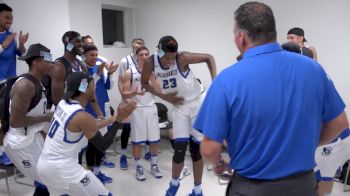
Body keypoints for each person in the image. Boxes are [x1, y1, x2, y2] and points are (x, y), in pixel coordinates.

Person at [195, 2, 348, 196]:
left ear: (241, 37)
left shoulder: (226, 80)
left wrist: (218, 165)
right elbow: (340, 123)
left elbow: (209, 148)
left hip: (251, 188)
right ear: (272, 32)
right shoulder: (313, 69)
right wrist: (307, 145)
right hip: (303, 186)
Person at [37, 72, 136, 195]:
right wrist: (119, 120)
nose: (94, 89)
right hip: (63, 169)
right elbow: (103, 145)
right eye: (92, 85)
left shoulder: (64, 103)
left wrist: (113, 118)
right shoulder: (81, 116)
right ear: (84, 88)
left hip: (45, 166)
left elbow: (87, 125)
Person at [141, 35, 217, 196]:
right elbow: (144, 83)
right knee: (179, 148)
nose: (170, 61)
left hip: (197, 103)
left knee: (196, 150)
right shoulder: (150, 62)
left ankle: (197, 190)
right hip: (179, 106)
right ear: (159, 51)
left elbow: (209, 58)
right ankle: (174, 184)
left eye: (172, 58)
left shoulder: (182, 58)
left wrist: (215, 80)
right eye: (167, 58)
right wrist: (163, 96)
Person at [3, 43, 53, 195]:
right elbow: (16, 121)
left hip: (33, 138)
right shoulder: (25, 85)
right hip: (20, 143)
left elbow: (34, 118)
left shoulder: (40, 83)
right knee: (49, 181)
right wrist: (46, 117)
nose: (51, 63)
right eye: (48, 60)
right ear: (36, 62)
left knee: (46, 182)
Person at [121, 46, 163, 181]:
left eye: (146, 55)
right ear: (136, 56)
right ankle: (139, 167)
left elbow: (159, 92)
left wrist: (151, 78)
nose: (144, 57)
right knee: (137, 141)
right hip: (137, 109)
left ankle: (154, 165)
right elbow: (124, 93)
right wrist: (135, 93)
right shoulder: (129, 72)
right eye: (141, 55)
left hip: (151, 108)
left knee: (154, 140)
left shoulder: (153, 72)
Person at [82, 44, 118, 184]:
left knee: (100, 143)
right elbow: (85, 89)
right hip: (89, 110)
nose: (94, 58)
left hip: (103, 107)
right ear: (84, 55)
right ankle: (90, 176)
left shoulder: (100, 66)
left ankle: (97, 172)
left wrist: (110, 73)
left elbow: (108, 86)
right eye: (92, 55)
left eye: (96, 55)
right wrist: (97, 74)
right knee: (92, 144)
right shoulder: (82, 69)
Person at [0, 3, 28, 165]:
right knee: (2, 119)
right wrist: (5, 44)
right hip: (1, 83)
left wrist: (21, 43)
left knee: (10, 118)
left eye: (11, 18)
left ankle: (9, 152)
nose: (10, 21)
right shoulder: (7, 38)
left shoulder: (11, 35)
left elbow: (21, 54)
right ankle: (2, 153)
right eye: (7, 17)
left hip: (12, 82)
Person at [117, 38, 146, 170]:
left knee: (142, 127)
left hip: (143, 102)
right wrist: (124, 96)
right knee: (127, 128)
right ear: (132, 48)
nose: (137, 48)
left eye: (139, 46)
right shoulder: (125, 61)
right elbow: (120, 80)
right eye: (134, 46)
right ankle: (123, 155)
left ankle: (146, 153)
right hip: (129, 99)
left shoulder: (147, 61)